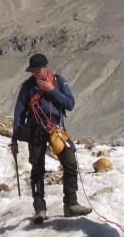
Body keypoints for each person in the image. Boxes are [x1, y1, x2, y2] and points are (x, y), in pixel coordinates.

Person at [11, 53, 91, 223]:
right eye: (32, 71)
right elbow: (19, 112)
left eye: (37, 70)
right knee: (37, 170)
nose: (34, 73)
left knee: (70, 163)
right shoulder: (27, 86)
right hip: (35, 131)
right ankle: (39, 208)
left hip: (56, 129)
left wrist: (52, 91)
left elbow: (70, 104)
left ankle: (71, 204)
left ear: (47, 66)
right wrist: (14, 139)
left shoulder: (59, 81)